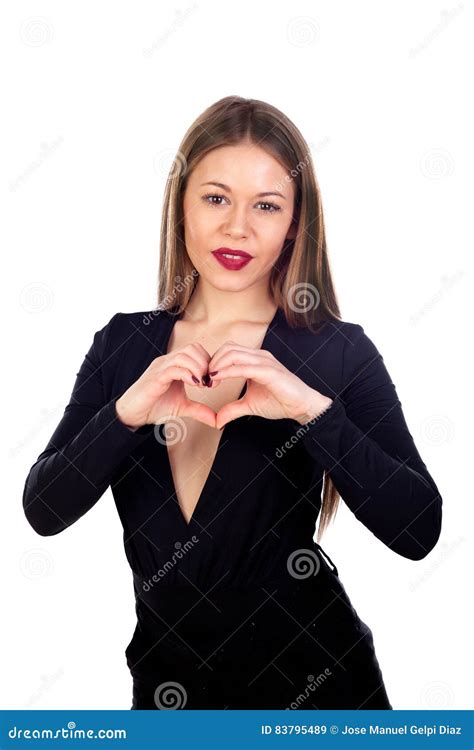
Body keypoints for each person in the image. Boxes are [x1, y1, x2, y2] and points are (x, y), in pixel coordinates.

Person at [22, 96, 443, 710]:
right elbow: (44, 509)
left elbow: (418, 530)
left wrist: (313, 413)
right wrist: (124, 416)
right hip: (172, 701)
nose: (237, 228)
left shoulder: (338, 352)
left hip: (321, 697)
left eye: (266, 206)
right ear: (182, 205)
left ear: (295, 222)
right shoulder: (121, 345)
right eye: (216, 198)